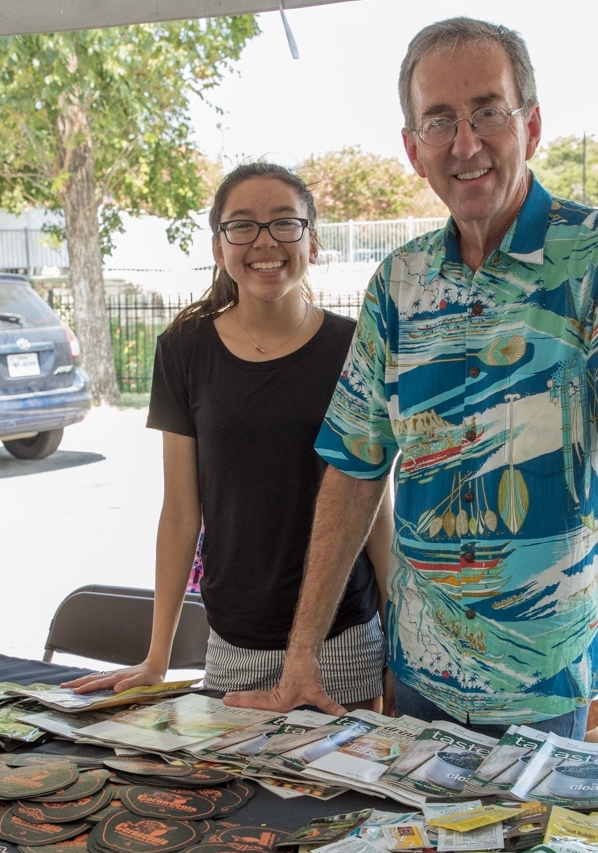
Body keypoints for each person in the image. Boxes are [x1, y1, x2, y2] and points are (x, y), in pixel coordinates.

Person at [225, 21, 598, 792]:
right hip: (416, 674)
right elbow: (354, 472)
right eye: (439, 120)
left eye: (488, 111)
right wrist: (301, 659)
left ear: (531, 123)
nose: (465, 145)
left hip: (545, 685)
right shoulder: (399, 281)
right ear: (410, 145)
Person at [64, 161, 390, 708]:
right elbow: (180, 513)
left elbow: (374, 507)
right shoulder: (184, 350)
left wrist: (396, 651)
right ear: (219, 246)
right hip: (233, 641)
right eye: (242, 225)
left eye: (285, 222)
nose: (265, 241)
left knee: (331, 796)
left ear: (312, 240)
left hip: (343, 639)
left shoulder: (354, 348)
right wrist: (156, 656)